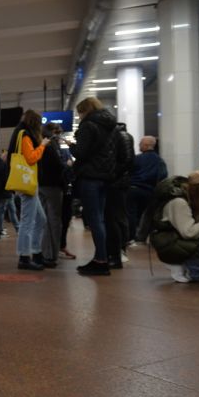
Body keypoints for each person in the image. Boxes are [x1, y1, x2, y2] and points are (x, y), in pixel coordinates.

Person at [69, 97, 118, 276]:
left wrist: (72, 146)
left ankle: (101, 261)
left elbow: (81, 153)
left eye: (80, 112)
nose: (80, 116)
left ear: (85, 110)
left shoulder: (88, 125)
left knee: (94, 220)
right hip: (105, 177)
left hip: (90, 177)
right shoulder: (111, 126)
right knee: (100, 219)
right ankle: (102, 257)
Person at [154, 170, 199, 283]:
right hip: (170, 244)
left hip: (181, 241)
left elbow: (198, 230)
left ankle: (194, 268)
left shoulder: (195, 200)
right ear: (198, 188)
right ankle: (190, 268)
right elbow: (189, 233)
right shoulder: (179, 202)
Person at [8, 110, 50, 270]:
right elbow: (31, 158)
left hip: (28, 183)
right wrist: (43, 146)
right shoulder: (25, 135)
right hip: (27, 183)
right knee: (28, 221)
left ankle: (36, 253)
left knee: (40, 219)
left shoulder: (20, 132)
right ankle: (24, 257)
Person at [105, 123, 135, 268]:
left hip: (118, 182)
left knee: (117, 217)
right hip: (121, 182)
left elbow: (127, 161)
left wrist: (112, 174)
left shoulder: (120, 137)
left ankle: (120, 249)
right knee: (120, 216)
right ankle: (121, 249)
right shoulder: (124, 136)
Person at [128, 135, 167, 242]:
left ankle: (130, 237)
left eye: (140, 143)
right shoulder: (159, 161)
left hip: (133, 189)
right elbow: (163, 177)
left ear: (146, 145)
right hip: (149, 192)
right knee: (147, 215)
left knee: (131, 214)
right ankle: (143, 236)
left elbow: (128, 173)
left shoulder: (136, 159)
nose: (139, 145)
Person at [38, 122, 66, 267]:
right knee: (54, 221)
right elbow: (58, 165)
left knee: (43, 220)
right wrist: (67, 164)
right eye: (58, 131)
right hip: (53, 185)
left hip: (40, 184)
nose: (59, 134)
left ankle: (42, 252)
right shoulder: (52, 145)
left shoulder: (40, 143)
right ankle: (50, 254)